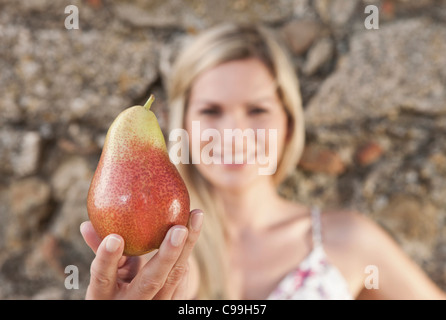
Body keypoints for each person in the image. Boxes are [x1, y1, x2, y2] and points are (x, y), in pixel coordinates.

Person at [80, 23, 446, 300]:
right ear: (183, 125)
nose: (234, 131)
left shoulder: (350, 242)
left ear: (287, 124)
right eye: (211, 110)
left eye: (257, 110)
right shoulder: (147, 262)